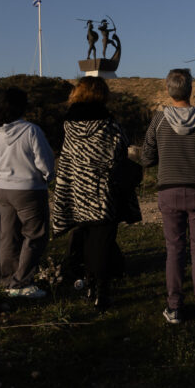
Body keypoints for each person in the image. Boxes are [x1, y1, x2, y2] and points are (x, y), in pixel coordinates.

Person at [142, 69, 195, 326]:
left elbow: (146, 157)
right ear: (191, 89)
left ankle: (175, 306)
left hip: (169, 190)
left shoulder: (159, 120)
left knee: (174, 249)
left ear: (169, 90)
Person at [51, 77, 141, 312]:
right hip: (103, 193)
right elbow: (121, 152)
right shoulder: (109, 125)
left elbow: (67, 160)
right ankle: (102, 291)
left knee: (88, 237)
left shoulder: (69, 126)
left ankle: (90, 283)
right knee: (103, 241)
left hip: (79, 193)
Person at [0, 87, 55, 299]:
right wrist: (47, 177)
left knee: (8, 236)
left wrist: (4, 176)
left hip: (3, 188)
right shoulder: (31, 130)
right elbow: (44, 161)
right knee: (35, 235)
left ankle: (9, 279)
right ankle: (22, 282)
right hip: (29, 189)